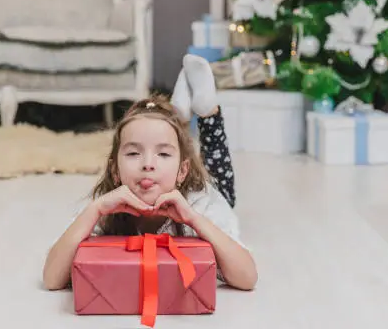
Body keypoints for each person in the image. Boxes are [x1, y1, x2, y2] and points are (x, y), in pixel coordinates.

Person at [42, 54, 257, 292]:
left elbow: (247, 279)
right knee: (166, 137)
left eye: (163, 155)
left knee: (219, 182)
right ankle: (176, 115)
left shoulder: (202, 202)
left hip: (204, 191)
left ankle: (207, 113)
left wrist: (194, 219)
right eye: (133, 154)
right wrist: (95, 211)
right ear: (115, 170)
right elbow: (52, 280)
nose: (148, 164)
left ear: (181, 171)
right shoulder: (103, 206)